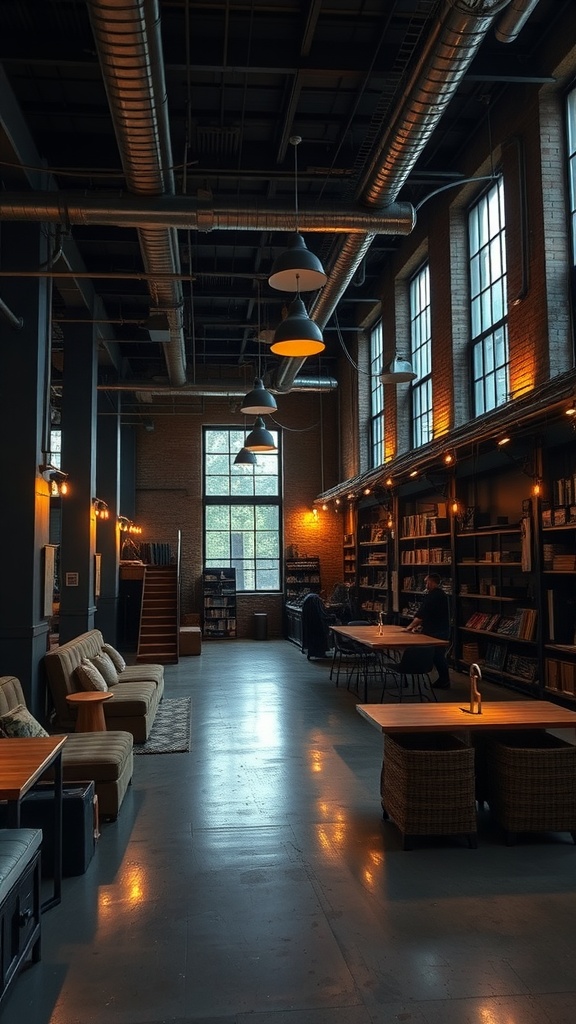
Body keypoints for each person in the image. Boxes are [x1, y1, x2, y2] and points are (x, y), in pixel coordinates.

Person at [404, 573, 451, 689]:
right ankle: (444, 680)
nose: (425, 584)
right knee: (437, 656)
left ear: (432, 582)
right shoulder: (439, 594)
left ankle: (444, 680)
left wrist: (409, 627)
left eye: (426, 582)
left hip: (437, 631)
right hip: (439, 628)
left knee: (438, 656)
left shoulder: (434, 596)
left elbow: (422, 614)